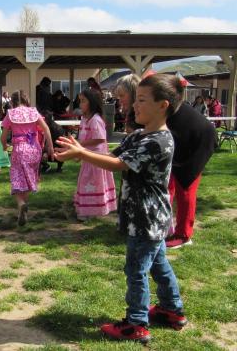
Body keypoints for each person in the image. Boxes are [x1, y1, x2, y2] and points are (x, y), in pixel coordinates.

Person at [55, 73, 187, 343]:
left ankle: (136, 323)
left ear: (163, 105)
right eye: (135, 99)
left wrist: (81, 153)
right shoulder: (139, 135)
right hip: (150, 218)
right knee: (159, 264)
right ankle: (171, 309)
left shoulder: (159, 141)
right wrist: (81, 148)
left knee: (136, 269)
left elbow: (119, 166)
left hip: (146, 218)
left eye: (142, 100)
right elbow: (113, 156)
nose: (134, 105)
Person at [166, 94, 217, 248]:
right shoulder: (156, 107)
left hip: (197, 143)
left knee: (186, 187)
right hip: (180, 143)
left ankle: (184, 235)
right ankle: (163, 226)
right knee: (167, 186)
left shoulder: (161, 105)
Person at [0, 90, 54, 226]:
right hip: (35, 150)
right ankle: (22, 212)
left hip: (19, 150)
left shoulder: (10, 114)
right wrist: (50, 147)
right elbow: (46, 128)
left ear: (12, 102)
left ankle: (21, 203)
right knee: (28, 178)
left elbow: (3, 136)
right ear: (26, 100)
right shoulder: (34, 112)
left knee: (17, 178)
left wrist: (4, 145)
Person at [73, 89, 117, 221]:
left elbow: (100, 138)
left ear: (91, 103)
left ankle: (90, 210)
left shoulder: (95, 120)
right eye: (80, 101)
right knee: (87, 181)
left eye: (83, 101)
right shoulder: (85, 119)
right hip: (88, 156)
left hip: (95, 158)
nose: (80, 104)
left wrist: (81, 144)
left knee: (91, 182)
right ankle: (87, 208)